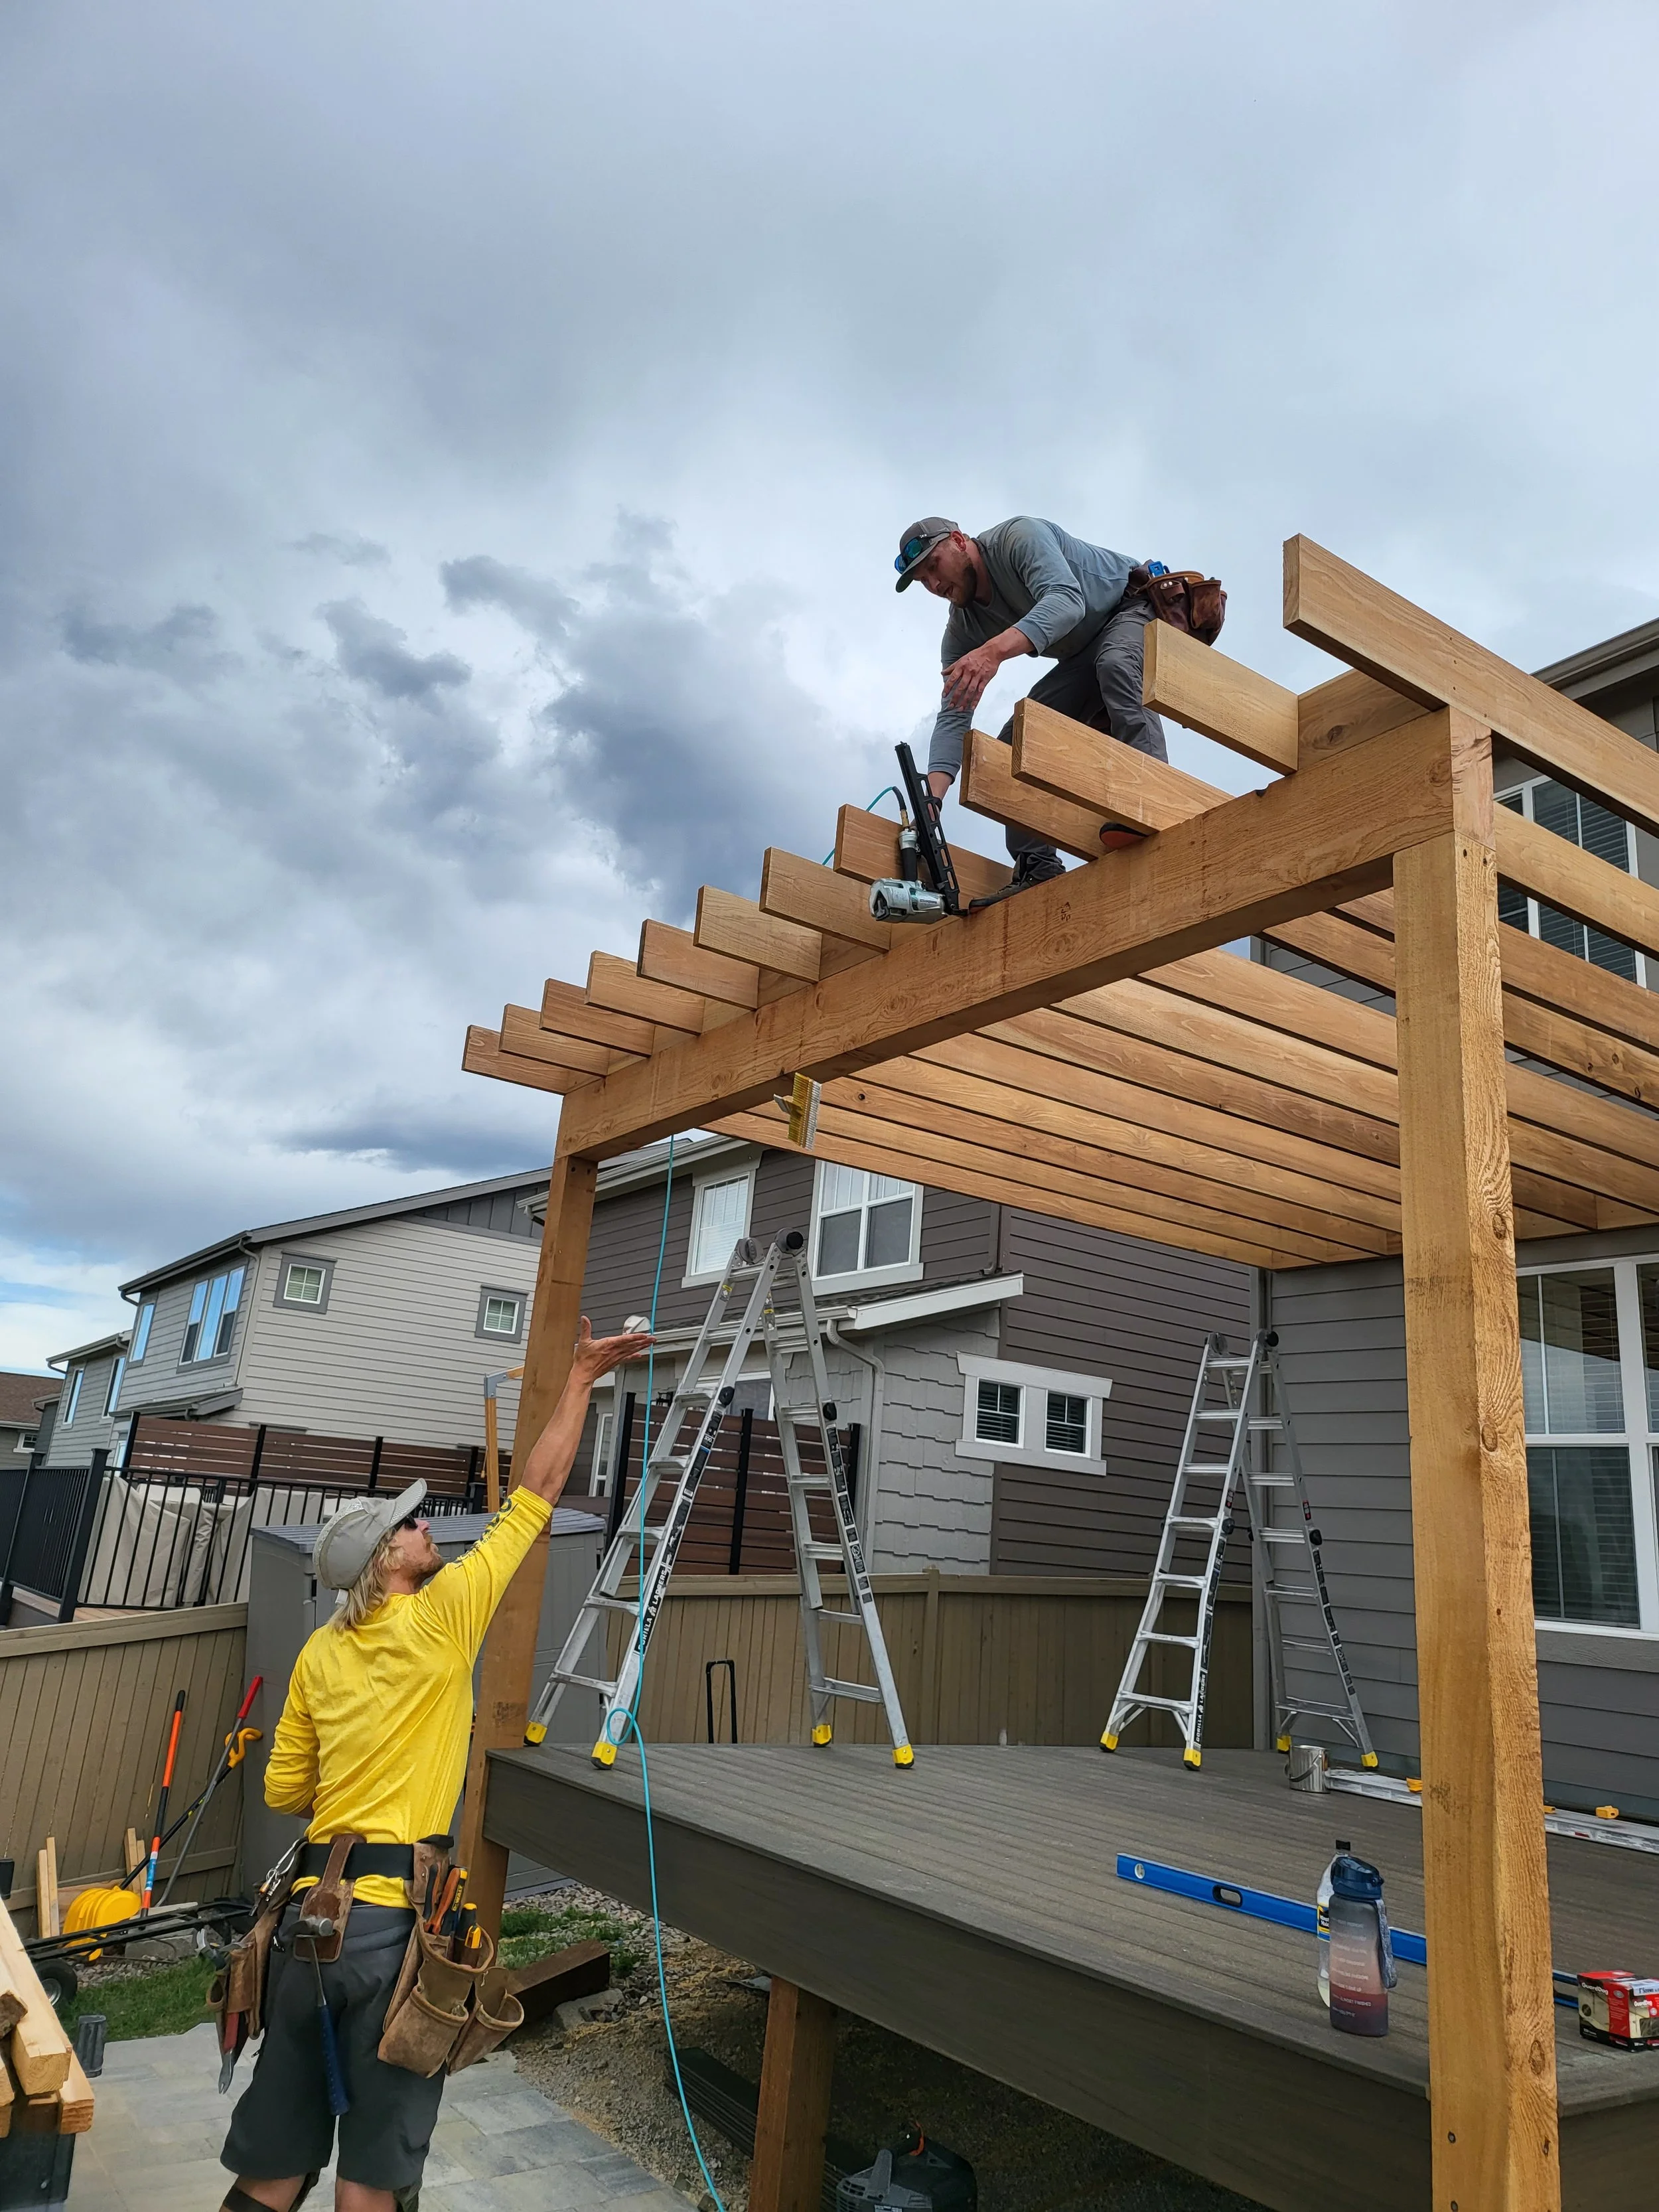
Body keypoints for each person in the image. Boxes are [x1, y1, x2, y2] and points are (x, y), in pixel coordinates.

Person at [218, 1316, 654, 2212]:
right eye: (412, 1525)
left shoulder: (318, 1655)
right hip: (388, 1944)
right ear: (389, 1563)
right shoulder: (444, 1615)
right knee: (372, 2187)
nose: (427, 1526)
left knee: (272, 2174)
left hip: (306, 1938)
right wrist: (579, 1378)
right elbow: (536, 1494)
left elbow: (284, 1790)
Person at [895, 515, 1170, 897]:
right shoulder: (962, 629)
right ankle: (1037, 867)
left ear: (958, 541)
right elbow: (954, 713)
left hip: (1133, 608)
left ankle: (1150, 797)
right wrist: (932, 800)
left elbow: (1067, 601)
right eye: (923, 580)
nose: (934, 584)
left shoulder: (1018, 538)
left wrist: (992, 652)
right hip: (1085, 653)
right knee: (1016, 741)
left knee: (1117, 664)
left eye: (933, 566)